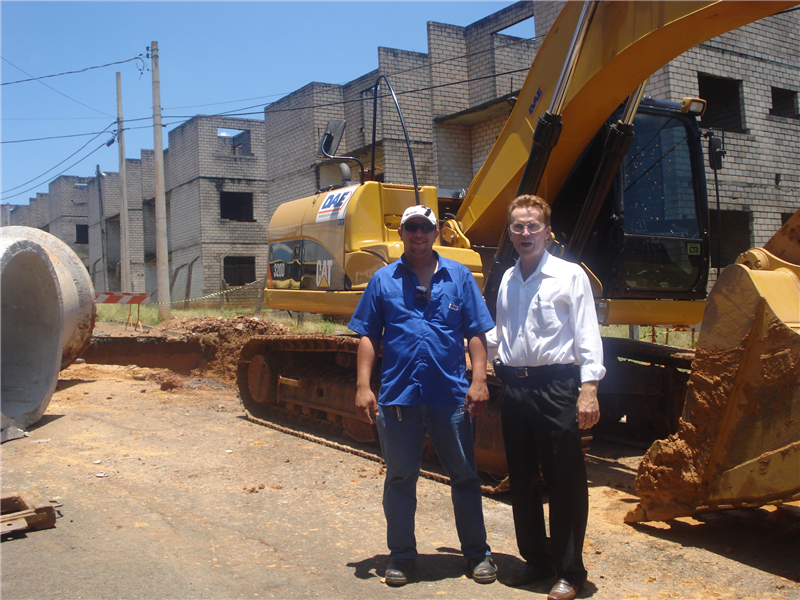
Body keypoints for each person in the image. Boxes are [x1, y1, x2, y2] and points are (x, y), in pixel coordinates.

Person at [349, 204, 497, 588]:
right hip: (399, 396)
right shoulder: (382, 281)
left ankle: (477, 554)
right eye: (411, 227)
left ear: (436, 233)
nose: (419, 234)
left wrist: (478, 380)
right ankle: (401, 555)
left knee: (464, 475)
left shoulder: (460, 277)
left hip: (449, 394)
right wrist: (364, 386)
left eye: (425, 228)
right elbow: (368, 335)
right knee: (400, 477)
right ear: (402, 233)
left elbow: (476, 333)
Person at [487, 195, 605, 600]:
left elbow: (588, 334)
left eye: (532, 225)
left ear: (548, 232)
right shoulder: (507, 278)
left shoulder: (570, 276)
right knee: (522, 479)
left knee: (565, 479)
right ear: (510, 232)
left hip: (557, 386)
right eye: (517, 226)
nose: (525, 233)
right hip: (515, 387)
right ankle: (535, 561)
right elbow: (500, 334)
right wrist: (474, 354)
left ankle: (569, 571)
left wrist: (588, 388)